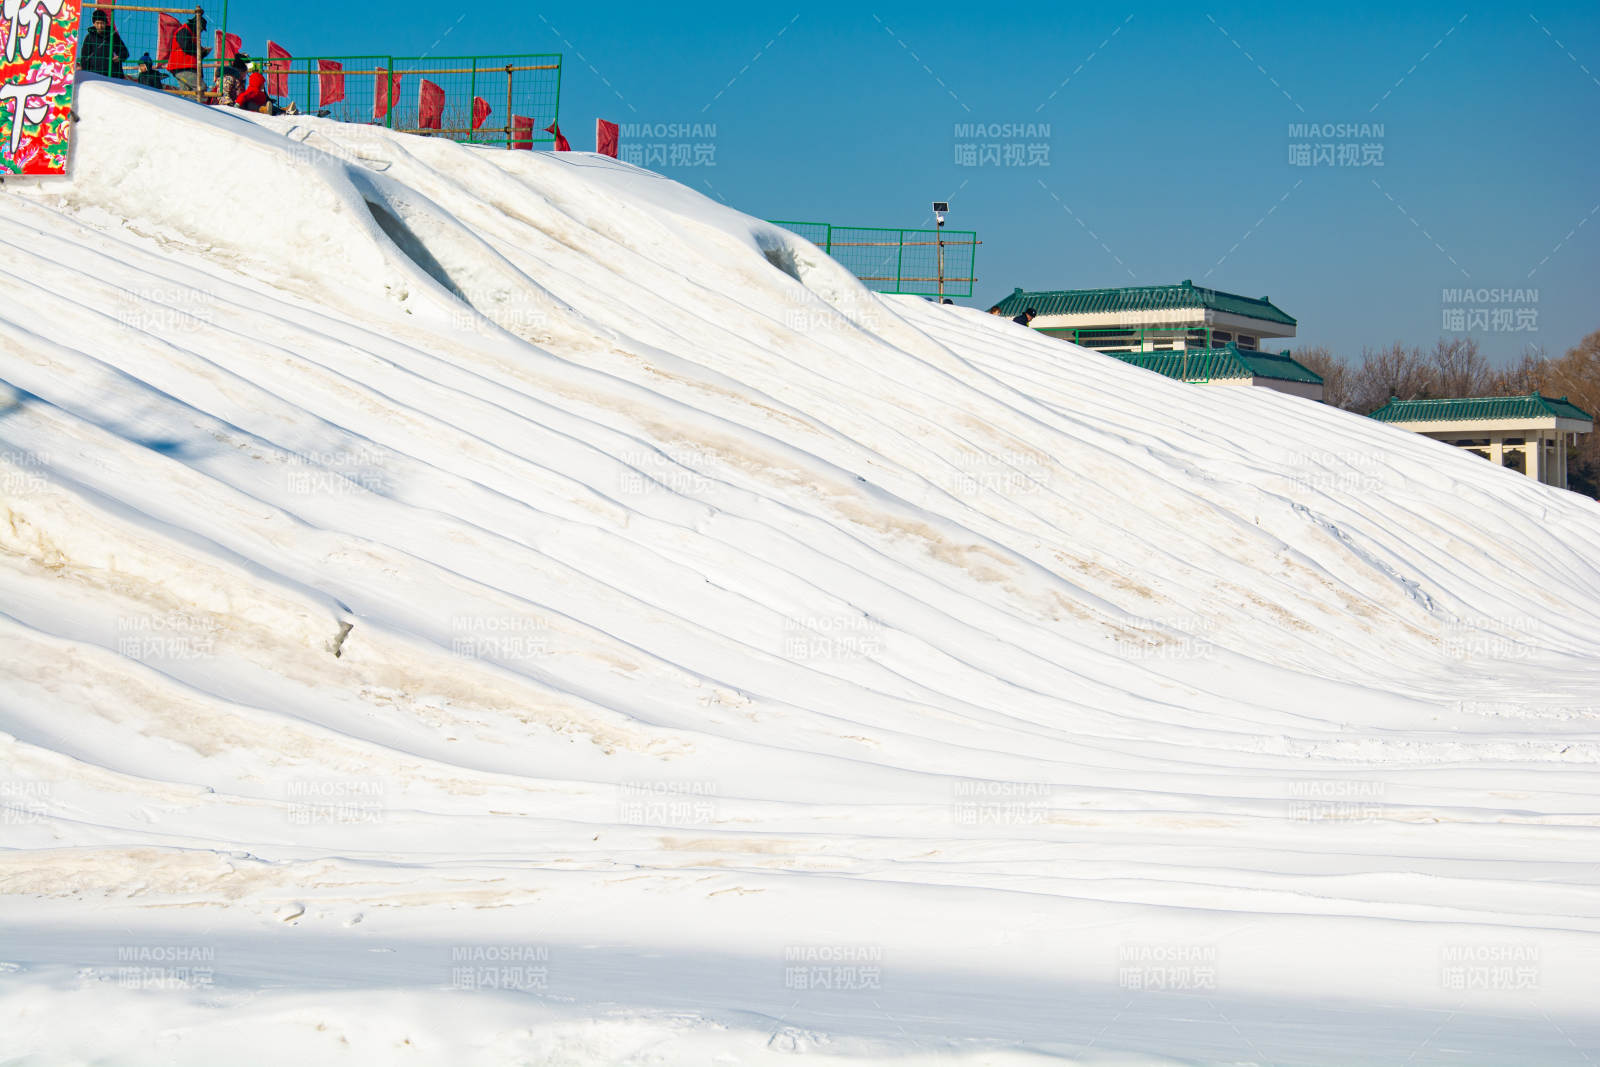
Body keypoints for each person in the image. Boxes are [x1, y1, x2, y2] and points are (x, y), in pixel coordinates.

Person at [79, 8, 129, 78]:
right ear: (94, 23)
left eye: (102, 23)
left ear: (106, 23)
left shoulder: (113, 36)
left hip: (112, 75)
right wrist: (86, 74)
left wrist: (120, 57)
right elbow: (84, 57)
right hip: (94, 75)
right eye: (97, 23)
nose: (100, 26)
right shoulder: (89, 37)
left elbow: (125, 52)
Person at [167, 12, 210, 92]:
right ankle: (189, 104)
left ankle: (183, 104)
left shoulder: (191, 33)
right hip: (182, 67)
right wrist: (201, 50)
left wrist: (203, 52)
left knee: (186, 92)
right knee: (201, 88)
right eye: (201, 29)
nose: (201, 31)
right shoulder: (184, 30)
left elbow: (192, 52)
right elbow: (186, 46)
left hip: (184, 67)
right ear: (197, 25)